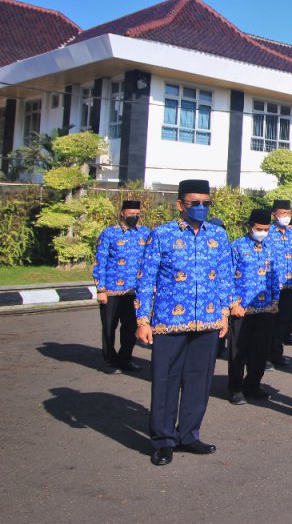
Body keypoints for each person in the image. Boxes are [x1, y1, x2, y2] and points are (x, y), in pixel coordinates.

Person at [136, 179, 232, 466]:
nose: (201, 208)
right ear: (180, 205)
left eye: (206, 203)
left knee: (199, 381)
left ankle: (189, 435)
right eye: (195, 203)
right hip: (169, 322)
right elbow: (146, 279)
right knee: (165, 380)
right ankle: (163, 440)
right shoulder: (162, 235)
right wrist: (143, 320)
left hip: (207, 320)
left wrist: (224, 313)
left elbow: (226, 276)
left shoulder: (217, 236)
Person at [227, 209, 280, 405]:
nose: (263, 233)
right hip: (242, 309)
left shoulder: (270, 249)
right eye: (259, 229)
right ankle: (235, 388)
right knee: (238, 351)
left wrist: (275, 301)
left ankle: (253, 385)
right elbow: (227, 278)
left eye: (266, 229)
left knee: (260, 351)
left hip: (265, 309)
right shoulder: (237, 247)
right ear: (250, 227)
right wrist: (233, 303)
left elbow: (275, 276)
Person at [93, 200, 148, 374]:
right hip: (111, 291)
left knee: (130, 328)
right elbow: (100, 262)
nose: (134, 217)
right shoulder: (109, 234)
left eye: (137, 214)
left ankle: (126, 359)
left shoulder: (145, 233)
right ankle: (110, 360)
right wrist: (100, 289)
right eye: (131, 214)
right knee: (109, 327)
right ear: (122, 213)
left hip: (134, 291)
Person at [268, 199, 292, 369]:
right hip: (273, 286)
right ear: (274, 215)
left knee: (283, 322)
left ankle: (276, 354)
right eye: (283, 213)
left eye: (288, 214)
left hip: (289, 286)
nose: (286, 217)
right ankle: (264, 356)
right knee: (269, 323)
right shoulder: (267, 233)